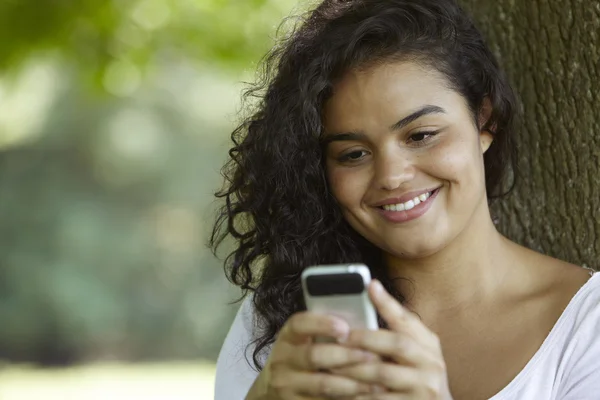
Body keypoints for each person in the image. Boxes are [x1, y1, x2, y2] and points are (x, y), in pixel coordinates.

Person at [210, 0, 600, 399]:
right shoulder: (285, 320)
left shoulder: (587, 325)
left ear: (485, 120)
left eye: (421, 135)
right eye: (353, 154)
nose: (392, 176)